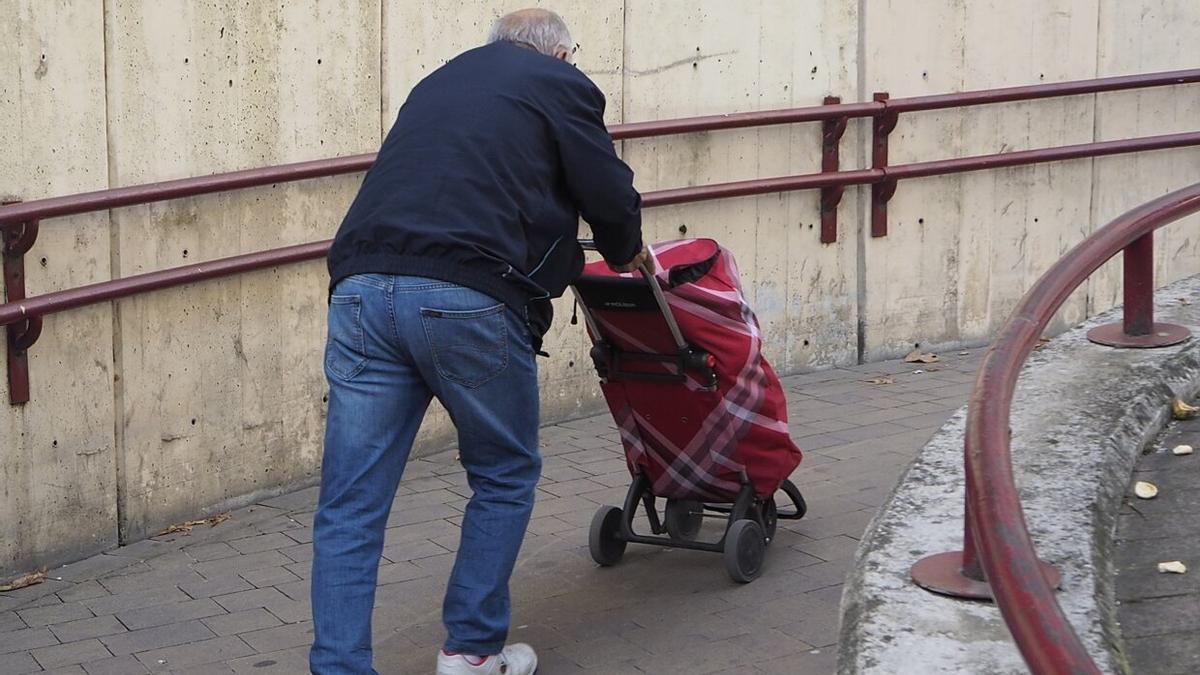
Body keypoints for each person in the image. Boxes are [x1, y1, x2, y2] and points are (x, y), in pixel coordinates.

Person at [309, 8, 648, 675]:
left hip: (360, 288)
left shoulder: (438, 81)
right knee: (503, 472)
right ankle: (470, 650)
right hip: (466, 294)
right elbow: (604, 189)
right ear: (557, 54)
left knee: (350, 502)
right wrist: (626, 247)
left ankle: (340, 667)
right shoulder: (558, 83)